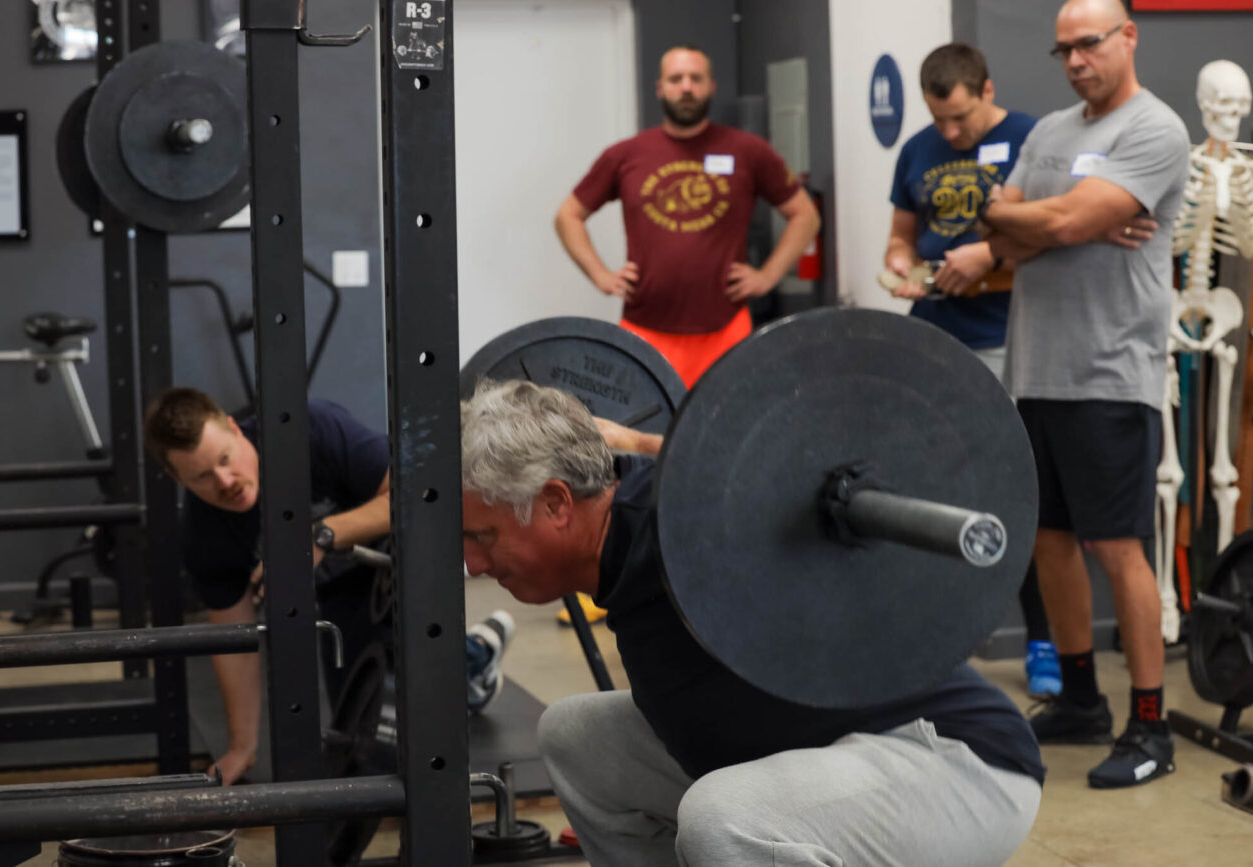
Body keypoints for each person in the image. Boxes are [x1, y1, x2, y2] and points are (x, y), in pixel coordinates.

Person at [460, 380, 1043, 866]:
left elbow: (781, 475)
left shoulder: (689, 527)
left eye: (484, 537)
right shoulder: (625, 538)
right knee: (573, 735)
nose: (474, 564)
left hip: (950, 761)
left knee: (725, 818)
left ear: (558, 503)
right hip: (817, 752)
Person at [961, 0, 1190, 788]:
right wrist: (1037, 218)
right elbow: (999, 226)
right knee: (1048, 539)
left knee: (1118, 548)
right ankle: (1083, 700)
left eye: (1087, 44)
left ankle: (1151, 726)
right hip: (1037, 371)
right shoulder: (1050, 131)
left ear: (1128, 36)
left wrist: (1049, 221)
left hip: (1109, 373)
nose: (1074, 61)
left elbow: (1050, 226)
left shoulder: (1154, 130)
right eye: (1062, 50)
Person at [144, 387, 513, 785]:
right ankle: (474, 660)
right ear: (176, 478)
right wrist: (241, 748)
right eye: (202, 477)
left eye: (224, 459)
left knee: (409, 722)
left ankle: (463, 660)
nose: (225, 481)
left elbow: (417, 494)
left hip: (392, 558)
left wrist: (322, 534)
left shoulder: (311, 431)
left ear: (235, 430)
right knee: (365, 744)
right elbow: (237, 644)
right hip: (338, 598)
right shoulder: (204, 537)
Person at [883, 42, 1060, 697]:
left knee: (1020, 494)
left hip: (1012, 341)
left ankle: (1043, 640)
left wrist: (984, 261)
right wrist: (903, 263)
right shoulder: (919, 149)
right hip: (932, 342)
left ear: (986, 89)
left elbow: (1055, 239)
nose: (950, 133)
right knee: (928, 491)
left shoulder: (1035, 138)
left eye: (961, 119)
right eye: (940, 121)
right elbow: (902, 234)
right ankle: (935, 639)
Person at [554, 44, 820, 390]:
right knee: (645, 437)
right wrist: (601, 276)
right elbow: (568, 216)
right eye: (676, 79)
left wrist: (767, 276)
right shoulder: (625, 155)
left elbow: (805, 215)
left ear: (711, 86)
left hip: (726, 329)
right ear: (660, 88)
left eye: (696, 78)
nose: (686, 87)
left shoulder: (748, 151)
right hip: (645, 331)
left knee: (726, 433)